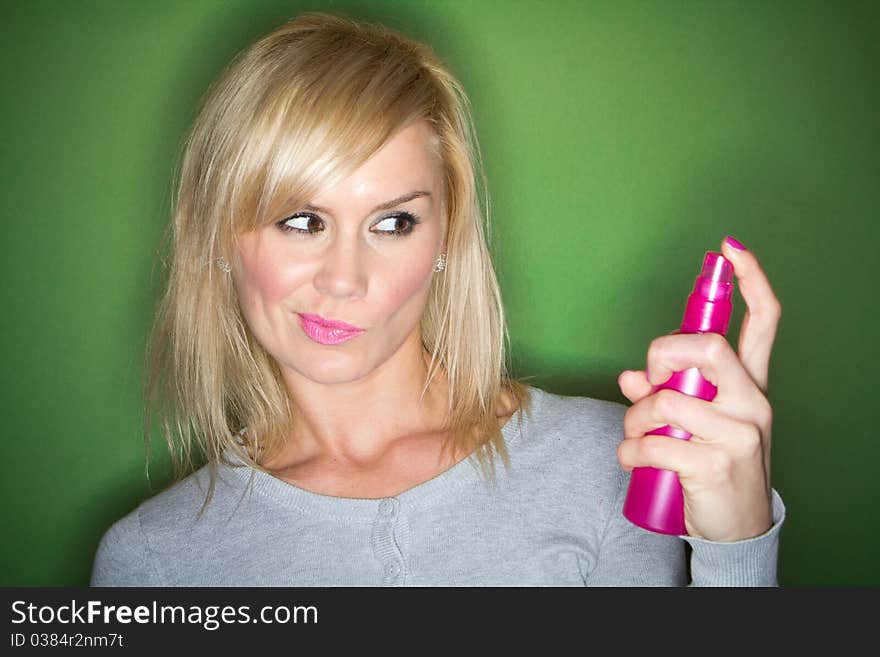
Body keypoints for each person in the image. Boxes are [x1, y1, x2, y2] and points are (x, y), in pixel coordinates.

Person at [90, 12, 784, 587]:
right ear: (219, 234)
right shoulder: (153, 562)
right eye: (301, 220)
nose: (344, 278)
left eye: (393, 222)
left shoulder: (611, 464)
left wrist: (737, 552)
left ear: (447, 236)